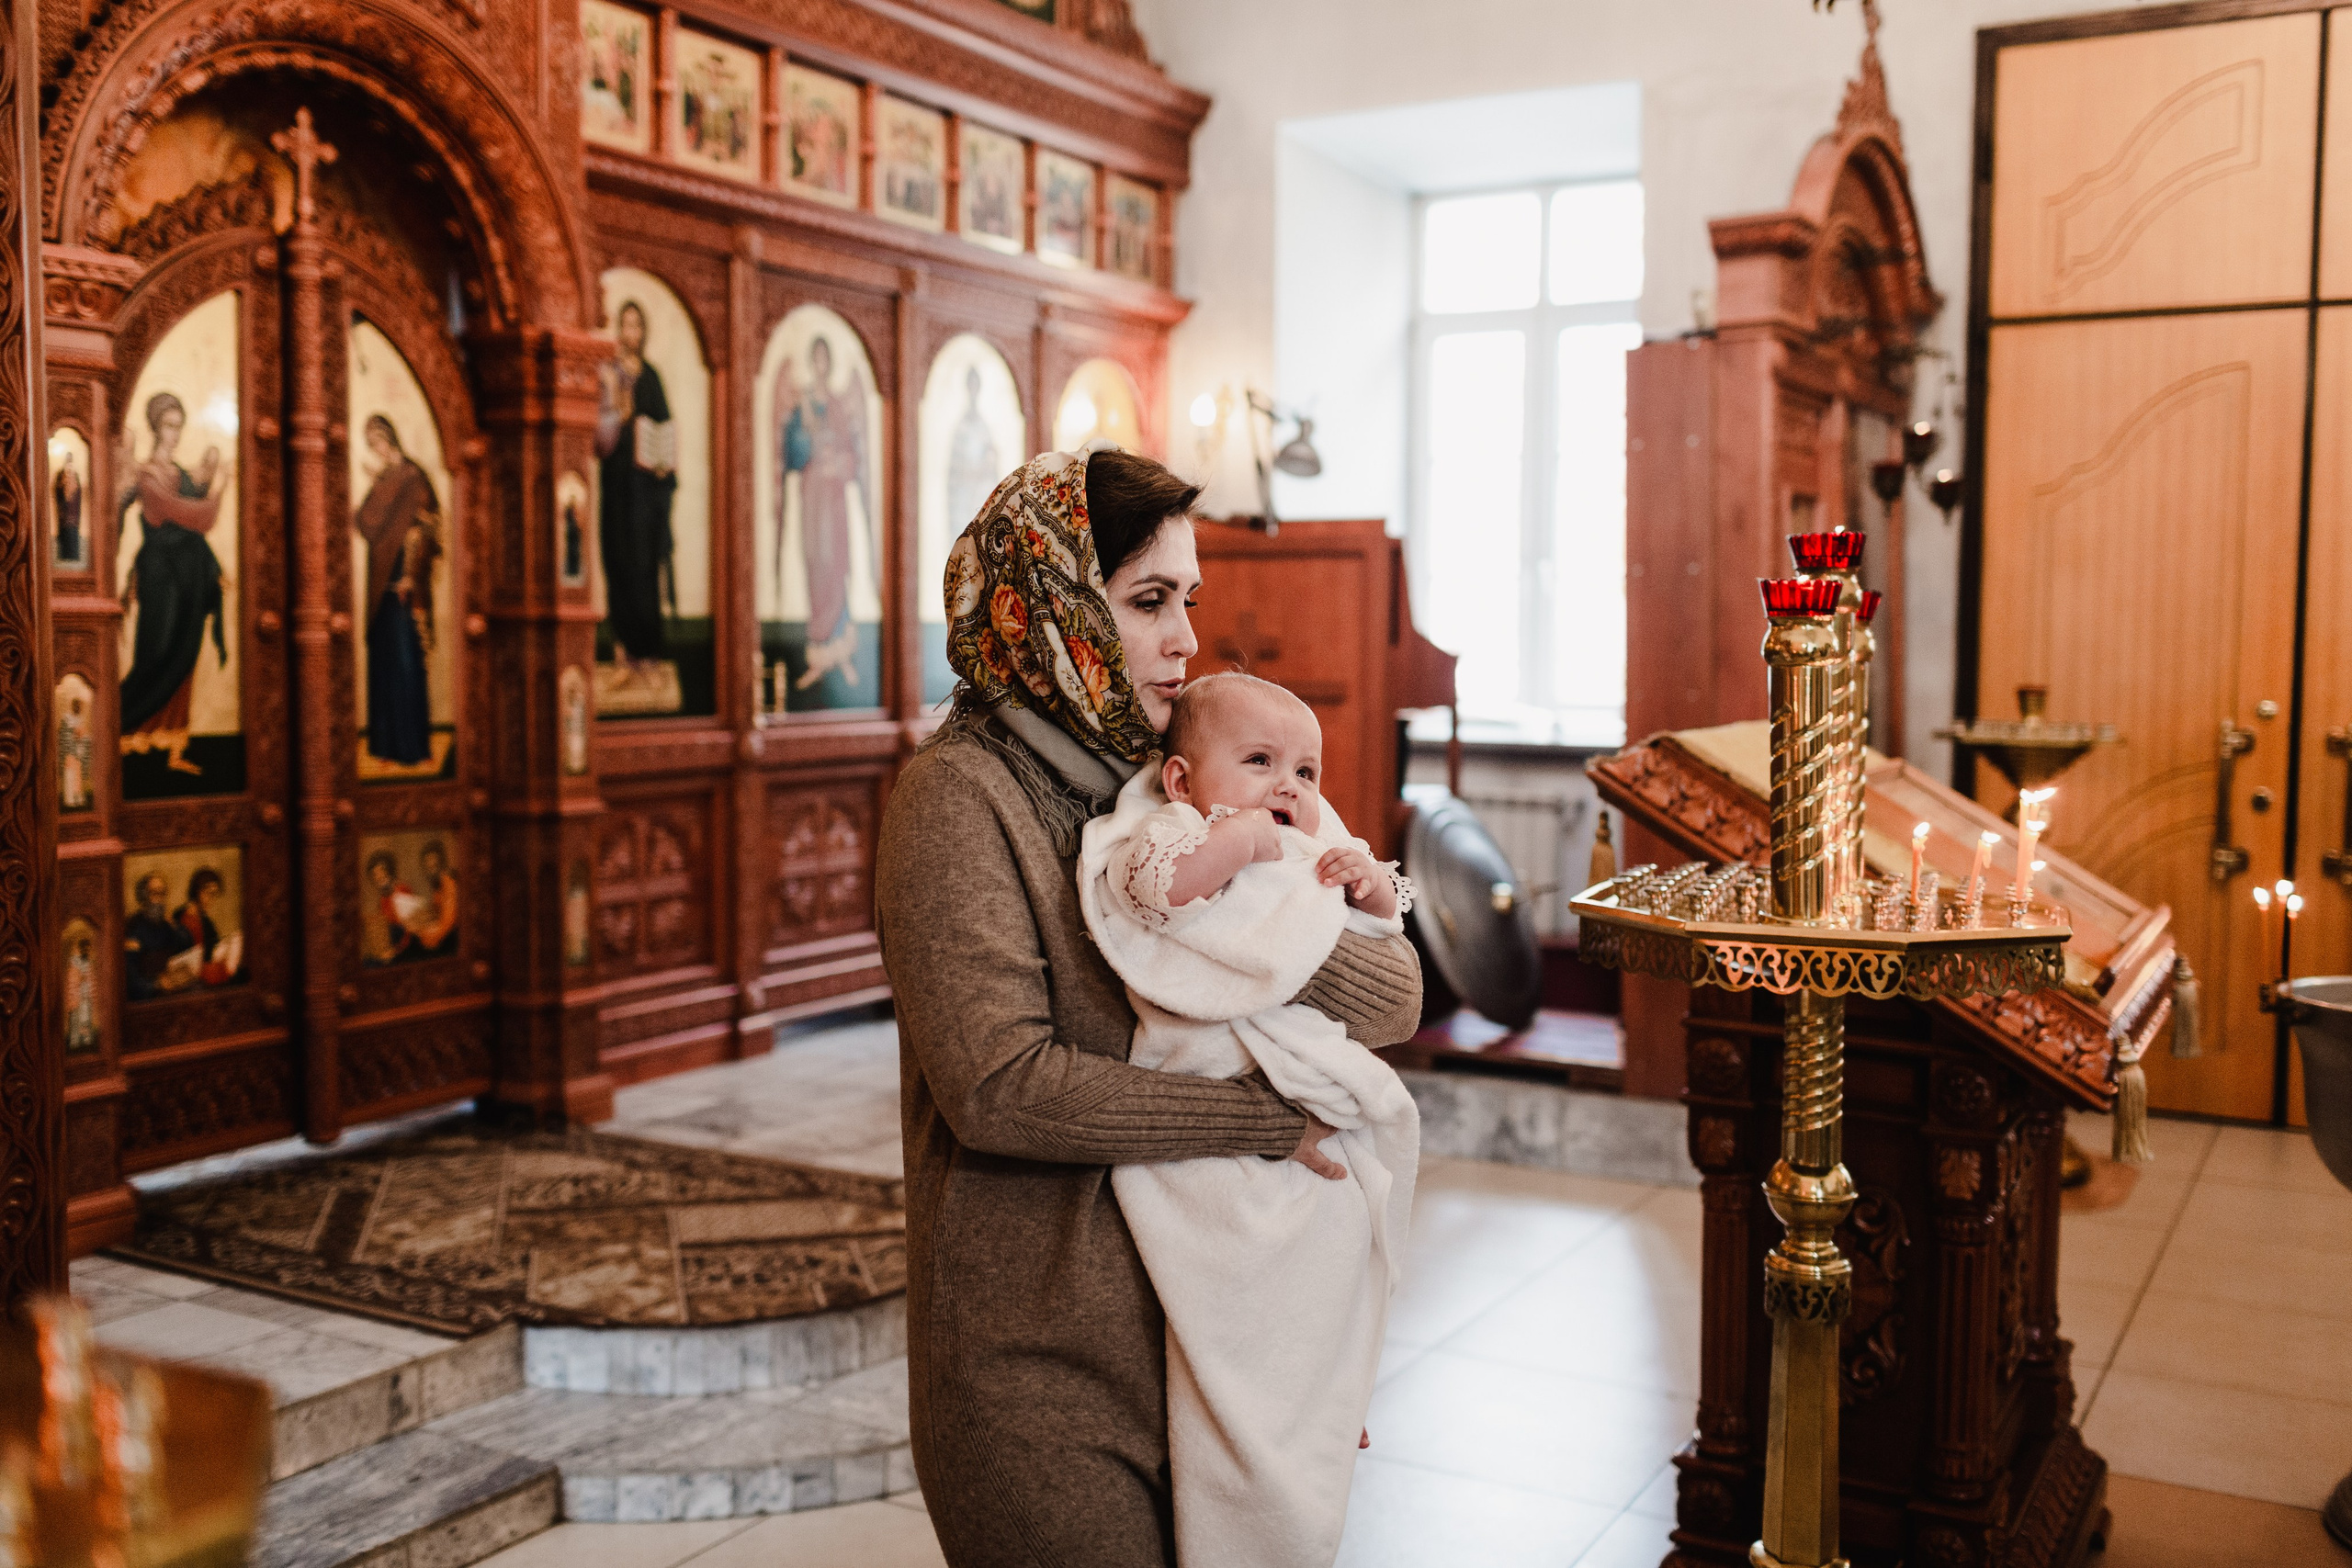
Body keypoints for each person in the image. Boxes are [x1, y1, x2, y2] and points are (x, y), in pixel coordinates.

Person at [874, 449, 1423, 1568]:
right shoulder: (958, 798)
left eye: (1189, 603)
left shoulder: (1173, 780)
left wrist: (1252, 889)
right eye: (1147, 601)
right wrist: (1263, 1118)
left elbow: (1394, 998)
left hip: (1207, 1328)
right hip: (1037, 1357)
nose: (1182, 640)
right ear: (1053, 604)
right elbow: (1001, 1089)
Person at [1077, 671, 1418, 1568]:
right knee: (1245, 1266)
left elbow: (1386, 938)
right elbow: (1155, 892)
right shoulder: (1171, 830)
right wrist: (1234, 842)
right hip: (1205, 1069)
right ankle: (1271, 1411)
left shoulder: (1309, 837)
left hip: (1299, 1066)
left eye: (1304, 770)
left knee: (1336, 1235)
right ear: (1183, 779)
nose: (1288, 787)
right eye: (1260, 761)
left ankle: (1320, 1385)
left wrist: (1365, 886)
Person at [119, 392, 230, 776]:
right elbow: (193, 516)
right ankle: (121, 730)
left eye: (179, 426)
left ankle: (173, 746)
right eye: (168, 426)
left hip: (188, 581)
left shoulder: (180, 474)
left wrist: (210, 472)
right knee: (156, 655)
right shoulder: (149, 477)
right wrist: (219, 490)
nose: (175, 434)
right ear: (155, 427)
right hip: (160, 580)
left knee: (185, 654)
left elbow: (192, 505)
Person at [778, 335, 871, 692]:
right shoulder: (802, 403)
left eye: (824, 359)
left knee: (836, 565)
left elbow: (853, 457)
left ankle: (840, 652)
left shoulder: (835, 405)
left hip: (833, 499)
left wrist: (839, 462)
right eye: (814, 359)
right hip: (812, 497)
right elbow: (791, 455)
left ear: (829, 363)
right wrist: (806, 439)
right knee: (815, 564)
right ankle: (818, 653)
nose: (819, 365)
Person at [353, 414, 442, 766]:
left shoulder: (412, 477)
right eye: (371, 443)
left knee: (406, 663)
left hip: (405, 585)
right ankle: (385, 746)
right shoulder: (385, 479)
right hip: (381, 584)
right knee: (384, 663)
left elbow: (430, 528)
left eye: (378, 441)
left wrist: (413, 575)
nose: (376, 448)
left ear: (390, 438)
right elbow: (366, 522)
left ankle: (412, 747)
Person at [596, 300, 678, 680]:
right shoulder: (610, 374)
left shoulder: (651, 378)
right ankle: (623, 651)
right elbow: (602, 430)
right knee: (619, 563)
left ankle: (648, 653)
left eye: (637, 325)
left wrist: (662, 463)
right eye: (626, 325)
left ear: (643, 332)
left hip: (645, 494)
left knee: (645, 568)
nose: (631, 333)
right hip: (617, 487)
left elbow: (664, 428)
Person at [124, 871, 195, 999]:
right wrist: (156, 984)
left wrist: (174, 925)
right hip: (147, 996)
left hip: (173, 991)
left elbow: (188, 945)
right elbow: (131, 978)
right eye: (155, 893)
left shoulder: (167, 924)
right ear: (143, 897)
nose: (160, 900)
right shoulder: (134, 928)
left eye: (163, 894)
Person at [173, 867, 243, 987]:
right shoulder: (182, 918)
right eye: (209, 893)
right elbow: (189, 957)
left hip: (207, 964)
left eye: (214, 895)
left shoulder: (205, 920)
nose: (211, 900)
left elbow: (213, 943)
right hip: (194, 972)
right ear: (197, 891)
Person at [413, 840, 459, 956]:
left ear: (441, 862)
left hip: (452, 939)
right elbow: (437, 911)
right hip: (444, 934)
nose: (431, 869)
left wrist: (421, 931)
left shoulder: (449, 883)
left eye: (434, 866)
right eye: (428, 867)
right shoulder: (437, 884)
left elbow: (447, 922)